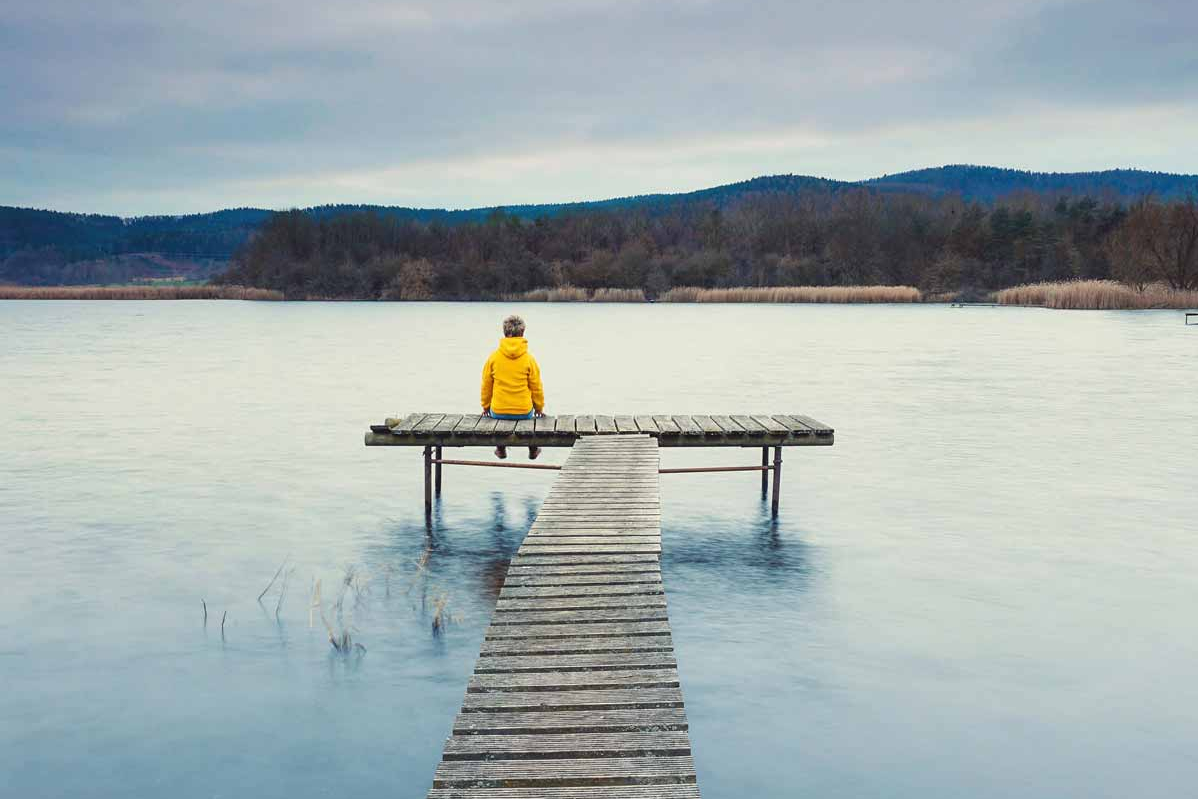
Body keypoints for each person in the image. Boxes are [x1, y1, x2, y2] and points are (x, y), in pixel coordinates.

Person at [480, 314, 546, 460]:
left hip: (498, 411)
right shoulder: (529, 359)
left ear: (504, 333)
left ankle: (501, 448)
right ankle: (533, 449)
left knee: (499, 415)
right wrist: (539, 408)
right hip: (524, 412)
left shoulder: (493, 358)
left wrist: (485, 406)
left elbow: (486, 385)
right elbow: (536, 387)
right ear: (522, 333)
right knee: (530, 420)